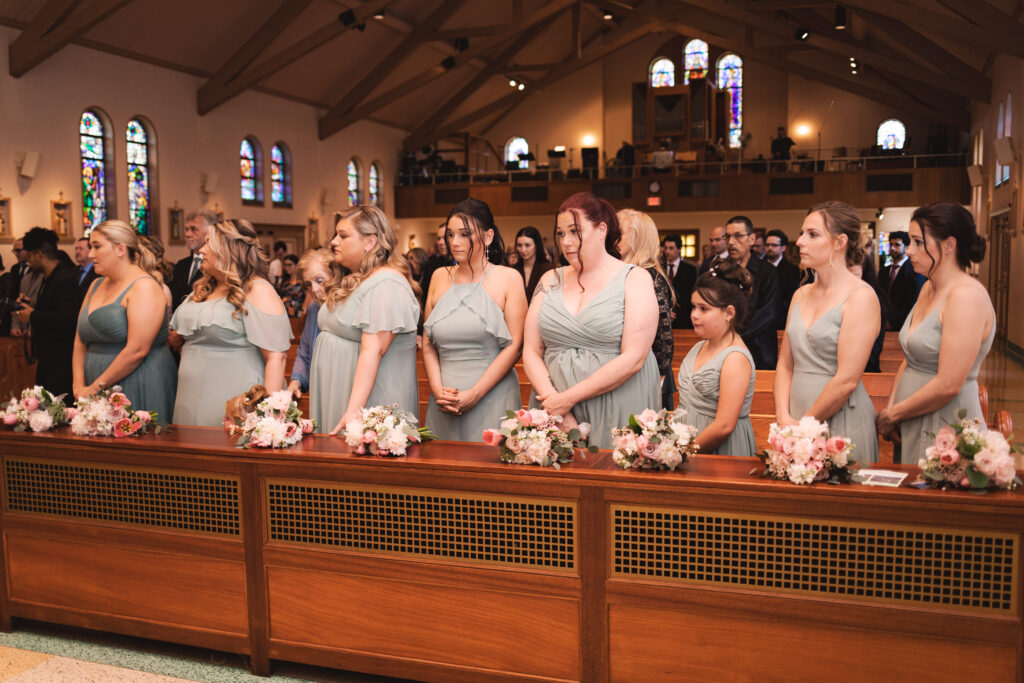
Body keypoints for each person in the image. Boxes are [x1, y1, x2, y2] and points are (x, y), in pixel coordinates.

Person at [523, 192, 659, 450]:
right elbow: (531, 350)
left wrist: (567, 399)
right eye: (561, 233)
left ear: (601, 230)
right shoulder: (549, 280)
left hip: (616, 399)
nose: (566, 241)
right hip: (553, 404)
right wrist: (556, 406)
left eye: (575, 231)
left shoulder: (634, 278)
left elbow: (634, 357)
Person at [877, 202, 994, 464]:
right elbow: (911, 358)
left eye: (918, 242)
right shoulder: (928, 288)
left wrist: (893, 415)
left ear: (949, 245)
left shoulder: (965, 296)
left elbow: (949, 384)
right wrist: (893, 408)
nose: (909, 250)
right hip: (910, 415)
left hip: (945, 419)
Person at [774, 202, 880, 462]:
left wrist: (804, 428)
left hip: (840, 418)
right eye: (802, 233)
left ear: (839, 242)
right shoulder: (800, 294)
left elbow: (846, 380)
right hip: (794, 417)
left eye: (812, 234)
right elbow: (785, 365)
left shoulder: (861, 297)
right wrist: (783, 417)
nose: (799, 242)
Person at [310, 206, 420, 434]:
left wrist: (354, 411)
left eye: (342, 235)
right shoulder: (356, 279)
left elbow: (373, 350)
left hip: (368, 403)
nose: (333, 242)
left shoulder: (386, 284)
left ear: (370, 242)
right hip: (340, 392)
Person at [170, 219, 291, 427]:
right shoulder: (202, 289)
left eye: (208, 242)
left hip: (235, 397)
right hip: (189, 397)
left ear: (228, 250)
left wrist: (268, 418)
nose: (201, 250)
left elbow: (276, 358)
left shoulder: (257, 290)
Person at [423, 199, 525, 441]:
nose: (454, 242)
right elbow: (428, 343)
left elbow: (516, 345)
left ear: (488, 237)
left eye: (464, 234)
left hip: (491, 395)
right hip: (444, 399)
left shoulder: (508, 278)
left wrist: (475, 394)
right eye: (450, 234)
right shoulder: (439, 277)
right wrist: (438, 391)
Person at [72, 220, 177, 420]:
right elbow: (79, 340)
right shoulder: (95, 284)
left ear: (120, 249)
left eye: (97, 246)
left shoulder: (144, 287)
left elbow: (137, 350)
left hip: (138, 379)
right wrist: (78, 386)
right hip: (93, 385)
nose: (90, 254)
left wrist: (95, 388)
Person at [677, 262, 757, 456]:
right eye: (693, 307)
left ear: (729, 313)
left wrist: (682, 453)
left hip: (719, 449)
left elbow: (724, 425)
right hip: (685, 443)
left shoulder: (735, 358)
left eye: (704, 309)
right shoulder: (699, 346)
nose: (694, 315)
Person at [13, 228, 82, 400]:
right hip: (49, 359)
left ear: (39, 254)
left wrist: (33, 315)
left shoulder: (64, 279)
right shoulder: (50, 277)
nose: (28, 262)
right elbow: (53, 310)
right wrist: (32, 307)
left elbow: (68, 320)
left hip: (60, 362)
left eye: (29, 256)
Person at [619, 210, 676, 410]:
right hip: (629, 371)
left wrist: (655, 378)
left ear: (638, 239)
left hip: (647, 376)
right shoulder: (623, 272)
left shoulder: (649, 276)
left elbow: (664, 338)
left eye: (620, 233)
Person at [724, 216, 779, 369]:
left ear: (752, 239)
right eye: (727, 236)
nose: (731, 242)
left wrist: (736, 337)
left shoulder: (767, 272)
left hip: (759, 349)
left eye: (738, 236)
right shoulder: (722, 271)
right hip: (725, 347)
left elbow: (768, 313)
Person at [287, 249, 335, 399]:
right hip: (320, 390)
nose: (313, 289)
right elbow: (305, 352)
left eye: (319, 280)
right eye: (308, 284)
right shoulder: (314, 309)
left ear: (335, 274)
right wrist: (296, 381)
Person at [170, 209, 216, 310]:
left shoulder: (215, 266)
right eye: (186, 229)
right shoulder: (181, 265)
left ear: (209, 232)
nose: (187, 234)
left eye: (193, 229)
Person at [879, 231, 919, 331]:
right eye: (891, 244)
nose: (892, 247)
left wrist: (893, 323)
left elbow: (912, 303)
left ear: (906, 247)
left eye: (897, 244)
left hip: (903, 326)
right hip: (882, 324)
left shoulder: (914, 271)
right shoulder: (883, 272)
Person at [765, 229, 801, 329]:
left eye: (774, 245)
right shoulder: (759, 267)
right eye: (767, 245)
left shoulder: (791, 269)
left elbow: (790, 297)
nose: (769, 248)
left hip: (781, 320)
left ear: (783, 248)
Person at [660, 234, 697, 330]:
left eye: (671, 248)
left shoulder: (690, 269)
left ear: (679, 249)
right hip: (661, 317)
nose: (667, 251)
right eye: (666, 248)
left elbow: (690, 295)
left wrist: (674, 312)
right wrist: (666, 311)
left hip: (683, 318)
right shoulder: (659, 268)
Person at [9, 236, 43, 337]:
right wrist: (15, 326)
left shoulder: (45, 277)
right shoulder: (25, 278)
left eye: (19, 250)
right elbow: (18, 303)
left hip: (37, 330)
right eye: (14, 251)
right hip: (23, 329)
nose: (16, 254)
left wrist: (32, 330)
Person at [513, 226, 553, 305]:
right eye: (519, 245)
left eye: (527, 245)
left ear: (536, 246)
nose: (523, 250)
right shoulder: (512, 270)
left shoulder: (548, 269)